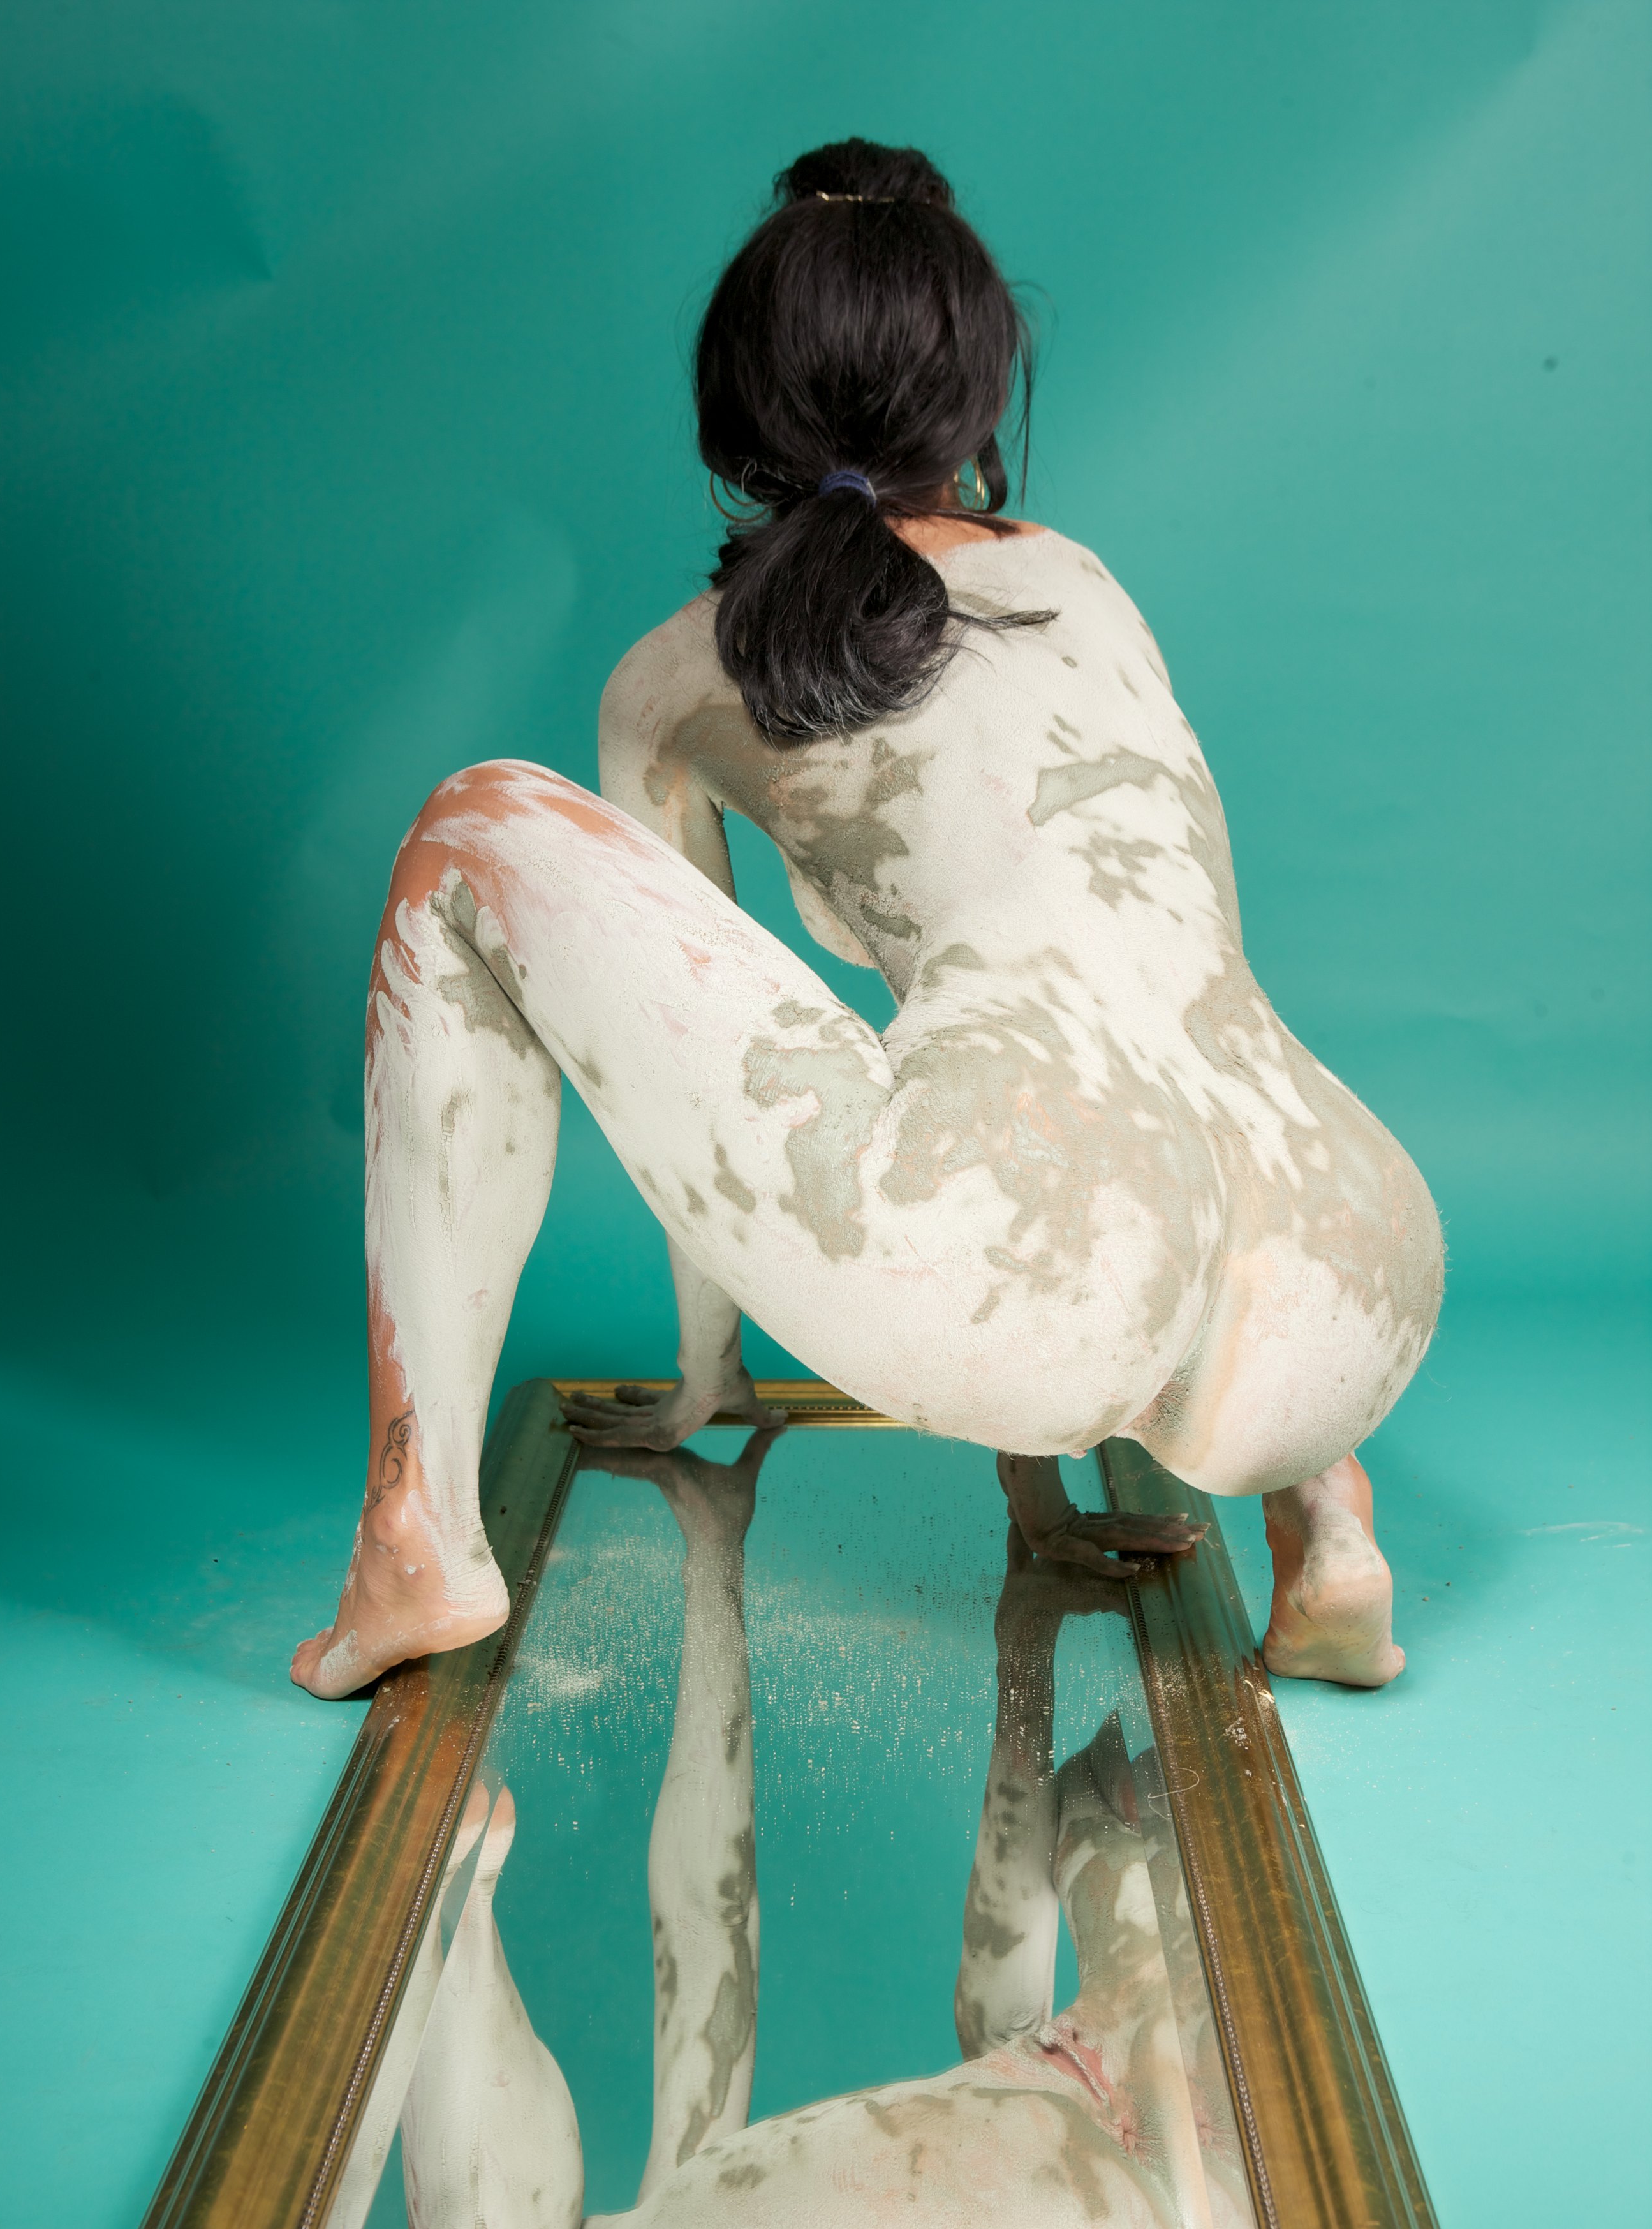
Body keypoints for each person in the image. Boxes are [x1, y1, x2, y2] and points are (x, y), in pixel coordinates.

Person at [291, 137, 1442, 1705]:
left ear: (740, 400)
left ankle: (412, 1531)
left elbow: (687, 1081)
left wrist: (712, 1375)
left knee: (469, 824)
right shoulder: (1082, 585)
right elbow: (1130, 1001)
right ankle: (1328, 1526)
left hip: (1028, 1272)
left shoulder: (678, 678)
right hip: (1352, 1272)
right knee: (1160, 1002)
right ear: (975, 391)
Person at [385, 1439, 1277, 2229]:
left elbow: (717, 1950)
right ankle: (433, 1899)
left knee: (1024, 2000)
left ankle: (438, 1899)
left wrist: (724, 1557)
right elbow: (707, 1941)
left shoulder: (1075, 2158)